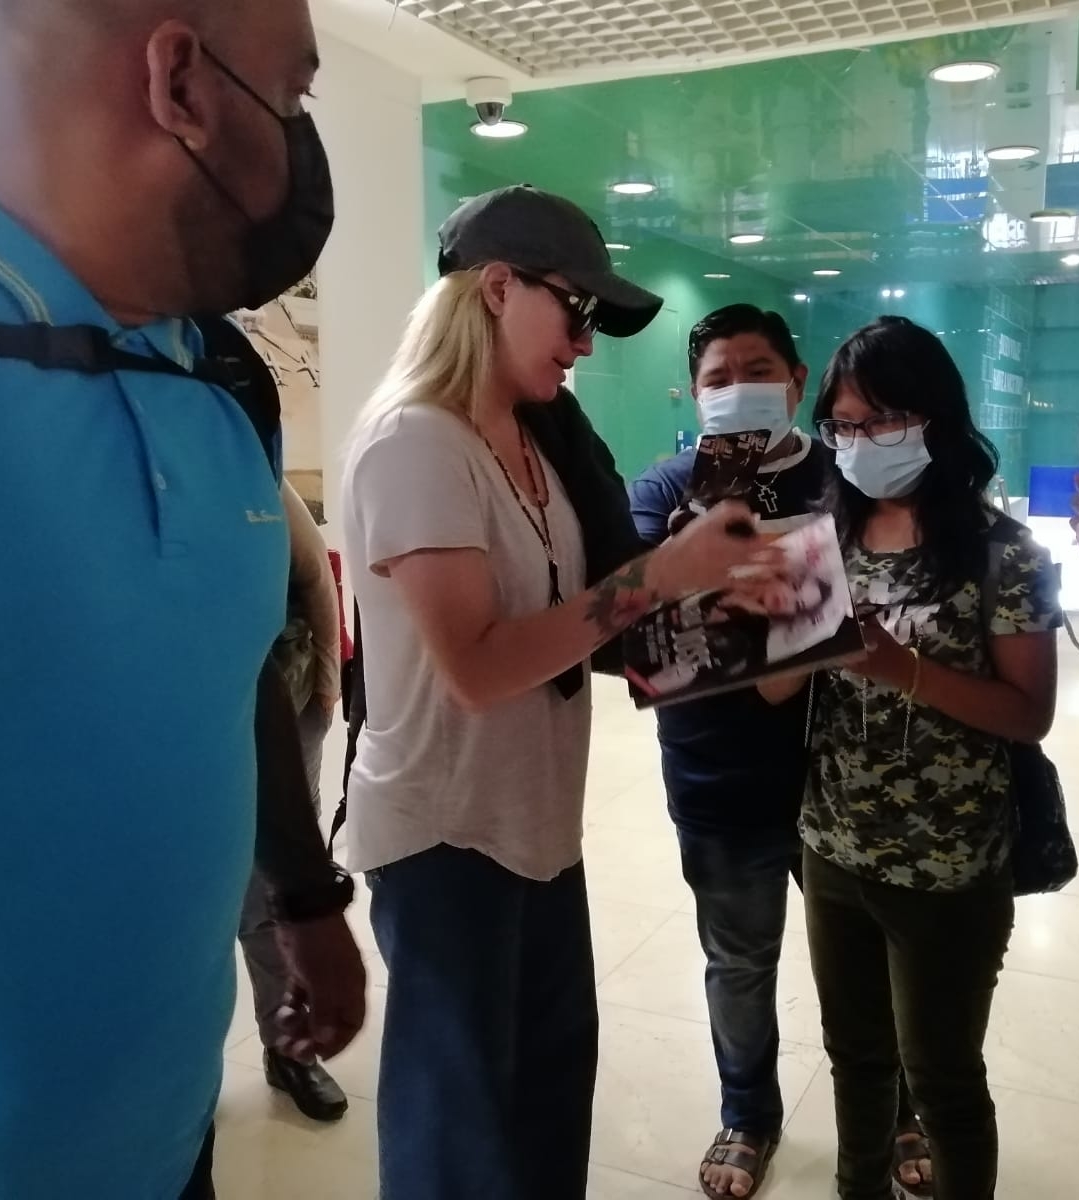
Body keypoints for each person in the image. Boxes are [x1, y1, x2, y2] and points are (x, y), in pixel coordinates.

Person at [0, 1, 367, 1195]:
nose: (304, 144)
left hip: (170, 1146)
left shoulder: (220, 368)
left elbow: (230, 671)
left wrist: (306, 897)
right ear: (181, 83)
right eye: (298, 96)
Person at [339, 185, 778, 1200]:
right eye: (574, 311)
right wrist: (661, 577)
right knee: (461, 1142)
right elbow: (483, 666)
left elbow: (580, 614)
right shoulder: (419, 444)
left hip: (538, 830)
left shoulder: (539, 444)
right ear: (496, 289)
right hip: (447, 839)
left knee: (545, 1110)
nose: (583, 346)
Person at [762, 316, 1062, 1200]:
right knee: (854, 1059)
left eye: (880, 421)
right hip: (831, 846)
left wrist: (899, 668)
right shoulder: (823, 541)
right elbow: (775, 692)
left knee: (942, 1082)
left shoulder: (1004, 554)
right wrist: (776, 630)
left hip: (946, 863)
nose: (858, 443)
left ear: (935, 418)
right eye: (842, 425)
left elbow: (1028, 714)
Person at [629, 304, 831, 1199]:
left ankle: (897, 1102)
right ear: (693, 393)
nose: (738, 389)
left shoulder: (847, 477)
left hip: (853, 778)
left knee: (865, 961)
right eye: (718, 377)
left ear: (797, 379)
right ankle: (748, 1111)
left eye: (758, 369)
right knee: (740, 959)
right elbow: (635, 634)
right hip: (717, 770)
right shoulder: (661, 490)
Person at [238, 479, 351, 1121]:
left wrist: (328, 693)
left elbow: (319, 585)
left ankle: (290, 1052)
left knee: (269, 892)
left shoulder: (258, 480)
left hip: (291, 707)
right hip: (182, 732)